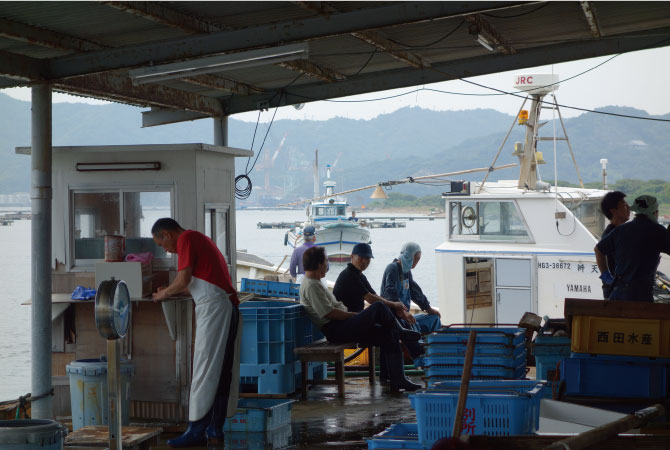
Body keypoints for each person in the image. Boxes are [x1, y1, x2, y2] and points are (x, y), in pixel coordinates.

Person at [151, 218, 241, 447]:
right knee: (220, 372)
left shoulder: (187, 239)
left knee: (204, 367)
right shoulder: (199, 238)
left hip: (214, 308)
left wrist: (163, 294)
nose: (166, 250)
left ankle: (196, 430)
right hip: (224, 306)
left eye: (162, 244)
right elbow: (195, 283)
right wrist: (171, 291)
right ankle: (215, 430)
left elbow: (184, 279)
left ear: (167, 234)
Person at [300, 246, 422, 392]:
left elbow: (374, 294)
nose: (327, 264)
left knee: (389, 333)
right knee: (378, 307)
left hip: (343, 325)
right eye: (326, 261)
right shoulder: (312, 285)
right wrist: (355, 315)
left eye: (367, 258)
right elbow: (329, 313)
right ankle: (402, 332)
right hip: (336, 330)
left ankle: (397, 380)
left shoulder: (317, 282)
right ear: (319, 264)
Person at [595, 195, 670, 302]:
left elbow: (598, 250)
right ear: (655, 213)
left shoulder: (621, 230)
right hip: (641, 293)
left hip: (618, 291)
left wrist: (606, 276)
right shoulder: (658, 231)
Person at [381, 242, 442, 334]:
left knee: (435, 319)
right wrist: (402, 311)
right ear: (409, 256)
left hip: (406, 315)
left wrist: (429, 309)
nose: (417, 262)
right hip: (394, 317)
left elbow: (415, 291)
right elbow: (389, 292)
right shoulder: (392, 268)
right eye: (416, 259)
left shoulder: (406, 271)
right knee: (410, 328)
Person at [597, 191, 630, 298]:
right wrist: (607, 278)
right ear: (613, 211)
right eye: (624, 205)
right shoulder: (611, 234)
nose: (628, 208)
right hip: (614, 291)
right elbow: (598, 251)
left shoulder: (621, 230)